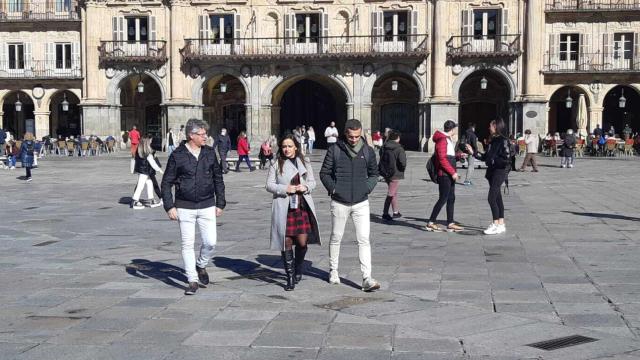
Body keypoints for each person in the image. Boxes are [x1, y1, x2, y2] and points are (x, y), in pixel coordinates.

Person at [161, 119, 226, 295]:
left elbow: (218, 179)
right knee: (187, 244)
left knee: (210, 242)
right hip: (184, 206)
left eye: (206, 134)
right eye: (202, 134)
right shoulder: (177, 155)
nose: (206, 137)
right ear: (192, 135)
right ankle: (192, 280)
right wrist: (169, 206)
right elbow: (166, 183)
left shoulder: (210, 153)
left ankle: (201, 264)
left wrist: (220, 203)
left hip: (207, 204)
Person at [319, 118, 380, 292]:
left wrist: (366, 189)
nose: (354, 139)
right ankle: (334, 271)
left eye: (357, 136)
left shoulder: (368, 151)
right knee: (336, 237)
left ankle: (367, 277)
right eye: (351, 136)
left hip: (361, 202)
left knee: (364, 239)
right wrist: (334, 189)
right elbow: (324, 173)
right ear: (345, 133)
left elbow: (374, 174)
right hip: (339, 201)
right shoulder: (335, 150)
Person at [266, 135, 321, 291]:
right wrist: (285, 189)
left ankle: (298, 268)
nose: (287, 149)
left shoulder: (305, 162)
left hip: (301, 206)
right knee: (287, 241)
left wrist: (306, 187)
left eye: (290, 146)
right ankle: (290, 276)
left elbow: (313, 182)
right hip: (284, 206)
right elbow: (269, 185)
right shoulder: (275, 163)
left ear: (296, 147)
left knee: (302, 243)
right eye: (284, 146)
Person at [468, 118, 511, 235]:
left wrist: (493, 161)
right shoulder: (493, 140)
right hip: (492, 172)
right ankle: (501, 224)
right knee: (497, 198)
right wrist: (473, 153)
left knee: (491, 198)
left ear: (496, 127)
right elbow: (485, 157)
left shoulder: (503, 140)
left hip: (499, 171)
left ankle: (495, 224)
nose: (488, 128)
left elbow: (506, 159)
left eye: (490, 126)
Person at [425, 120, 466, 232]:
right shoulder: (443, 140)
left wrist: (459, 156)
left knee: (451, 198)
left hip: (448, 174)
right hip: (444, 175)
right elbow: (442, 159)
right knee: (443, 198)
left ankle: (450, 222)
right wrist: (453, 173)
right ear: (452, 130)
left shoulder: (447, 140)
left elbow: (448, 157)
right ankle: (431, 222)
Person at [378, 130, 407, 221]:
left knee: (393, 192)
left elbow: (380, 155)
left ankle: (395, 212)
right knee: (391, 193)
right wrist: (402, 168)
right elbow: (402, 162)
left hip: (385, 172)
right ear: (397, 138)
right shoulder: (399, 148)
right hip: (395, 173)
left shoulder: (384, 146)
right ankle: (385, 213)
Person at [131, 137, 164, 209]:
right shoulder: (147, 153)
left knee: (149, 183)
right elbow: (153, 164)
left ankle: (151, 200)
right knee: (140, 186)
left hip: (141, 171)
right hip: (144, 171)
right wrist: (160, 170)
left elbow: (134, 161)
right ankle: (135, 201)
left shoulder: (139, 151)